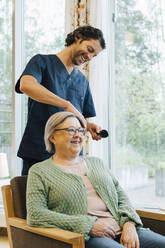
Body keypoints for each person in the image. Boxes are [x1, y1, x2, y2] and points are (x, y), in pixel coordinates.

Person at [26, 111, 165, 248]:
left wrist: (129, 224)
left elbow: (121, 197)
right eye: (71, 130)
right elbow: (36, 214)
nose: (78, 135)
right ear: (52, 137)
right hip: (87, 236)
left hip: (122, 228)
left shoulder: (97, 163)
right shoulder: (39, 171)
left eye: (81, 130)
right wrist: (88, 225)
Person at [15, 25, 106, 175]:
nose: (89, 57)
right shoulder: (41, 62)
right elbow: (26, 85)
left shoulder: (82, 81)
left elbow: (75, 117)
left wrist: (88, 125)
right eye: (90, 49)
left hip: (72, 157)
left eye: (94, 55)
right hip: (39, 154)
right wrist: (66, 104)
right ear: (78, 37)